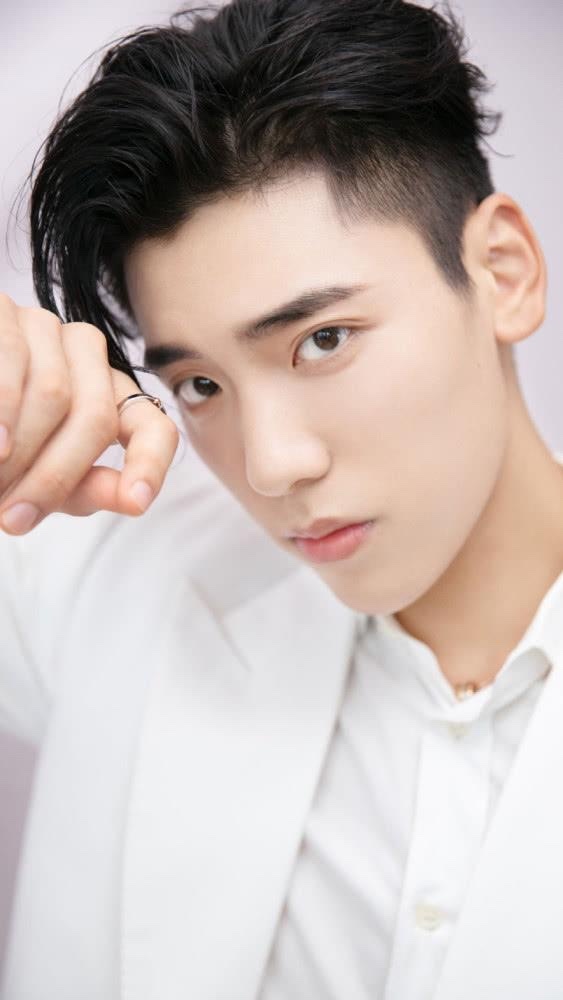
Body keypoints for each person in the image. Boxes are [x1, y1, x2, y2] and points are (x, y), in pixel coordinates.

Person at [0, 0, 561, 997]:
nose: (268, 465)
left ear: (502, 273)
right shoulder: (120, 571)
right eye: (199, 385)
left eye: (321, 341)